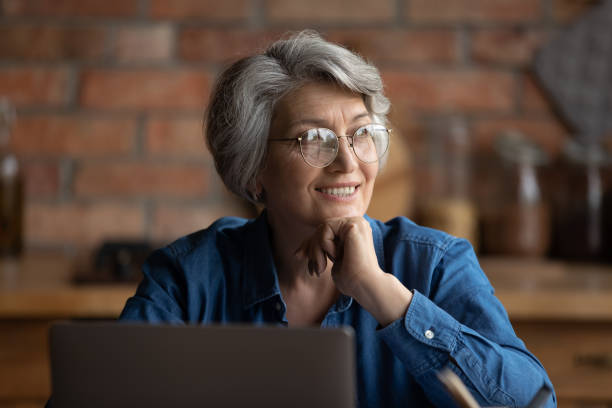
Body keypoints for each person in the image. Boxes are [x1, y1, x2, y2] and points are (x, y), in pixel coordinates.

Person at [119, 30, 556, 407]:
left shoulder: (435, 264)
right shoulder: (189, 275)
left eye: (362, 134)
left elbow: (532, 401)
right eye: (314, 139)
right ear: (253, 170)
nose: (347, 162)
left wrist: (383, 294)